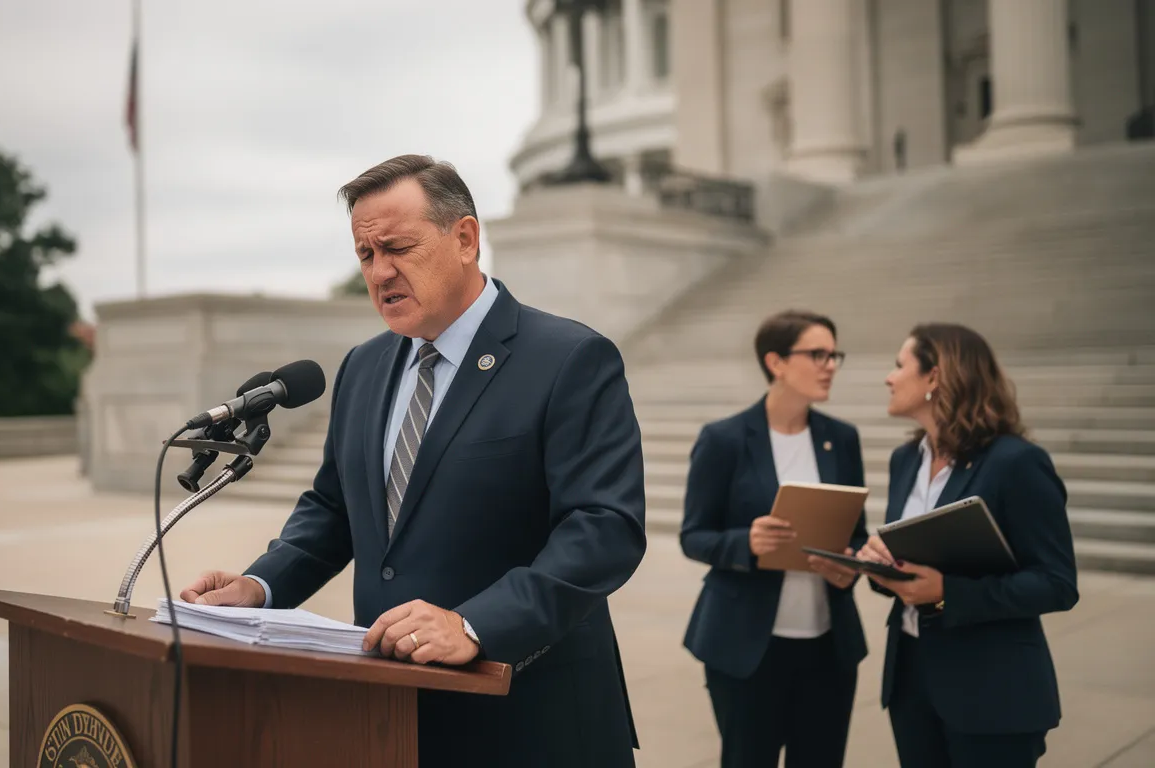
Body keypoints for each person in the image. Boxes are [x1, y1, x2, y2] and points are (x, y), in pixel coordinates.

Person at [179, 155, 647, 767]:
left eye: (398, 247)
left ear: (465, 239)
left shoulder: (569, 358)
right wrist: (261, 586)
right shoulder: (364, 366)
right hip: (391, 713)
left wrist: (475, 626)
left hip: (531, 715)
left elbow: (604, 528)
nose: (380, 272)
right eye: (366, 256)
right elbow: (334, 508)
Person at [848, 323, 1079, 767]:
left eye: (899, 366)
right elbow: (914, 569)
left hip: (992, 690)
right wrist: (881, 567)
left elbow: (1056, 583)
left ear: (934, 377)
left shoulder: (1016, 462)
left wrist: (947, 592)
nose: (889, 377)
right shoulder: (904, 461)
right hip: (912, 681)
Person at [680, 310, 870, 768]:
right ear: (776, 362)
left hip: (828, 646)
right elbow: (694, 535)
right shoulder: (724, 439)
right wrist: (747, 542)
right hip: (746, 649)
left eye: (834, 355)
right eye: (818, 354)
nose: (830, 365)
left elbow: (857, 534)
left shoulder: (841, 439)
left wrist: (850, 564)